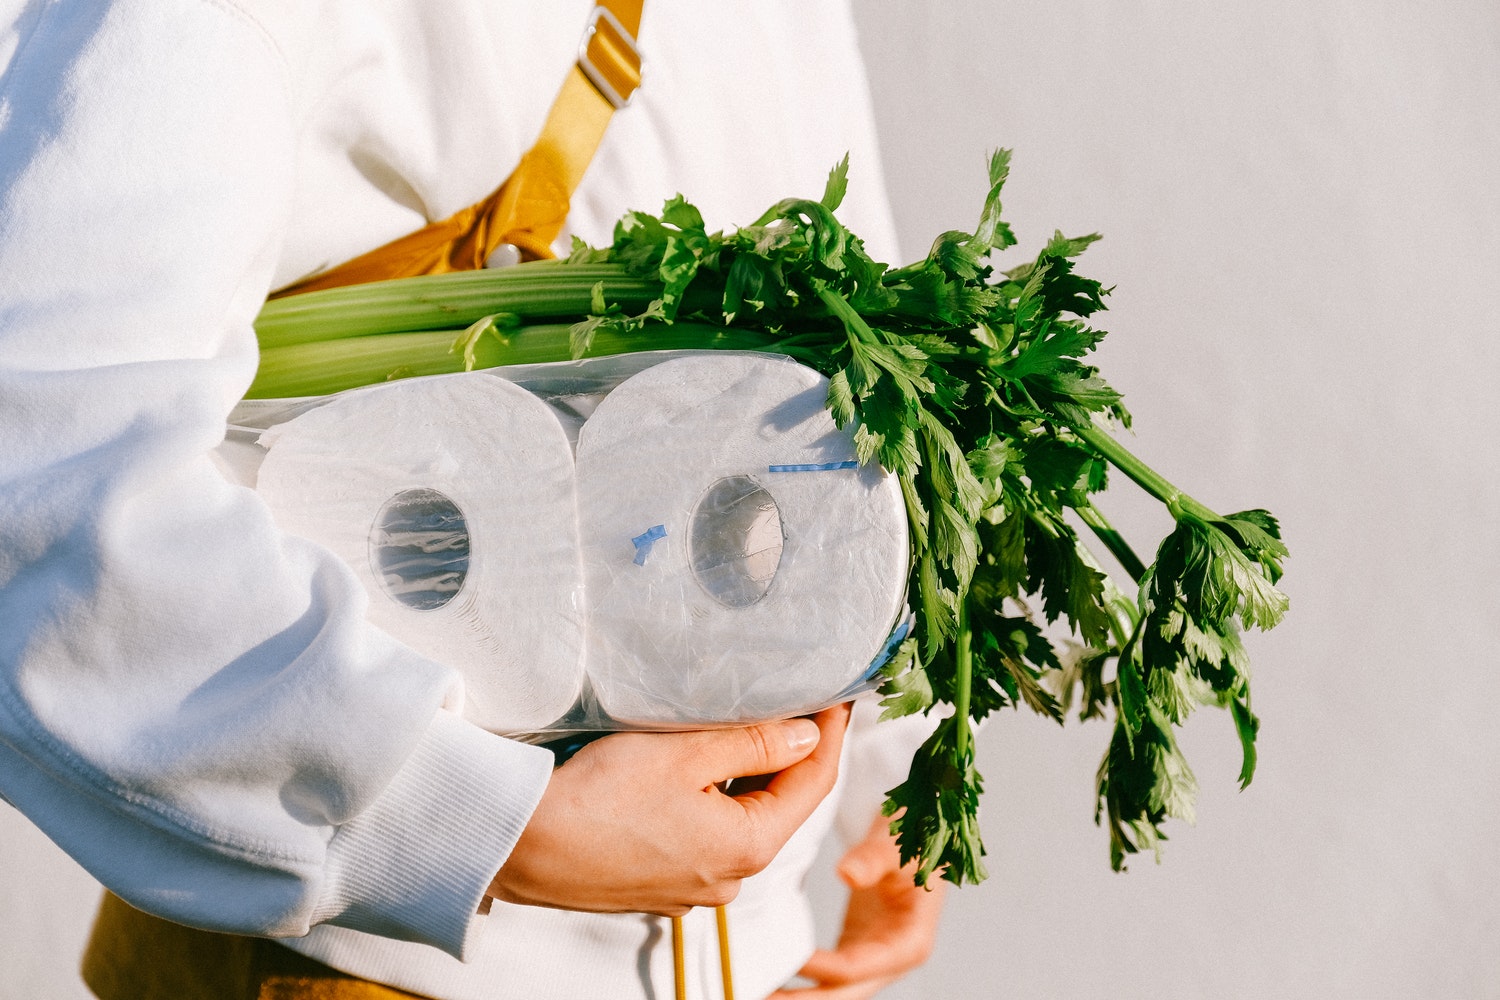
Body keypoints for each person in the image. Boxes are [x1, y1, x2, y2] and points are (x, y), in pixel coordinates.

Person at [0, 2, 944, 997]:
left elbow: (842, 383)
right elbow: (47, 450)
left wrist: (892, 763)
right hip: (372, 961)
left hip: (742, 952)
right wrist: (471, 822)